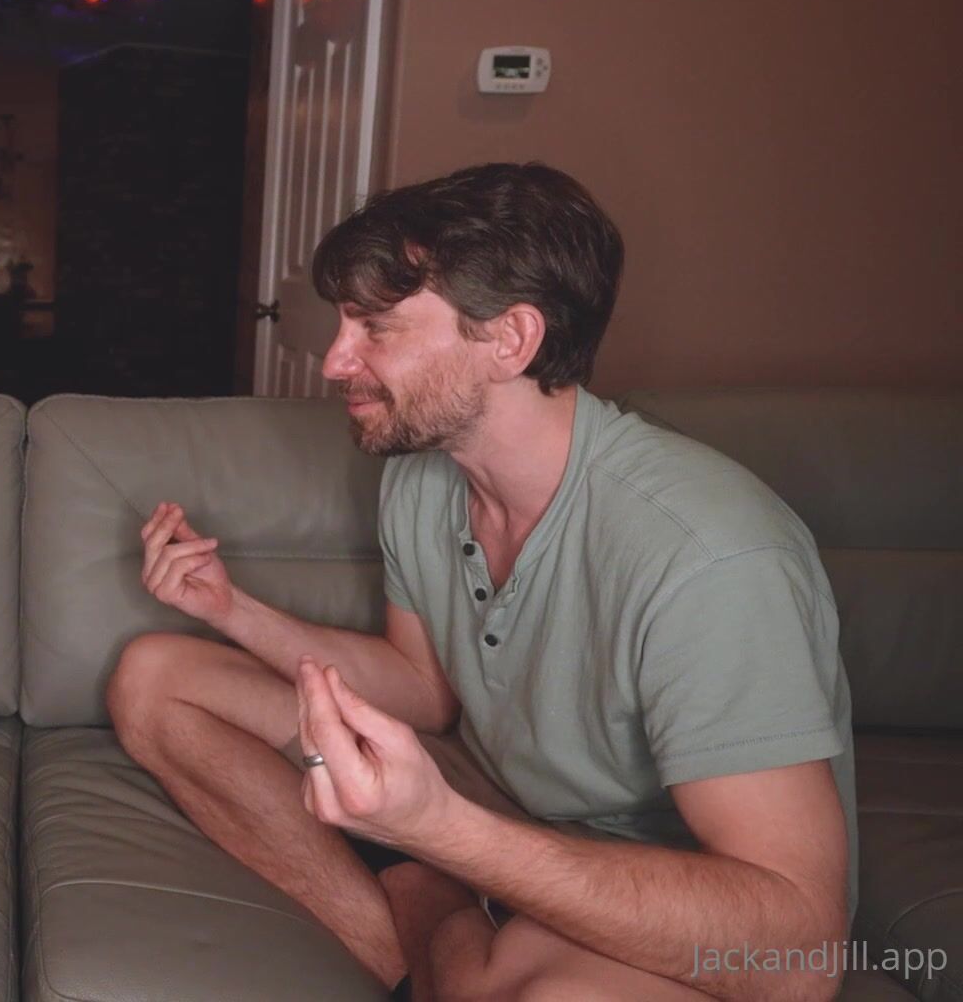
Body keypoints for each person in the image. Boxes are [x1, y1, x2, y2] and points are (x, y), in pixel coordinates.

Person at [108, 163, 854, 1000]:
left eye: (375, 327)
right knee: (155, 678)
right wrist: (230, 609)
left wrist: (437, 833)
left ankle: (434, 905)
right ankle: (420, 953)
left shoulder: (709, 554)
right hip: (499, 803)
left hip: (648, 880)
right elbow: (423, 692)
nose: (334, 361)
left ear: (510, 340)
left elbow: (798, 956)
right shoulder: (424, 472)